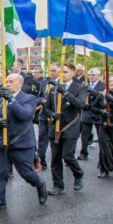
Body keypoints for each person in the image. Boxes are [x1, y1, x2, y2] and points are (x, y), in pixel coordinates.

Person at [0, 73, 48, 211]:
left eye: (11, 81)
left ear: (20, 83)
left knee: (26, 173)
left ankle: (39, 185)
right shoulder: (0, 100)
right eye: (6, 81)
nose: (7, 84)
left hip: (21, 142)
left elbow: (25, 115)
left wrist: (12, 99)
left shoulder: (29, 98)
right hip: (4, 142)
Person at [44, 63, 86, 195]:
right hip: (55, 128)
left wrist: (66, 93)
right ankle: (58, 185)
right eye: (61, 72)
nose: (63, 74)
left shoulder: (79, 87)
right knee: (55, 158)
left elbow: (80, 104)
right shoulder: (53, 89)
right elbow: (46, 108)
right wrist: (52, 114)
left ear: (73, 73)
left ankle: (78, 174)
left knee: (67, 155)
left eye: (66, 72)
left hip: (70, 126)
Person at [77, 68, 105, 160]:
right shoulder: (84, 84)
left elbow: (102, 96)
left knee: (101, 134)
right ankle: (83, 152)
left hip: (98, 112)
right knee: (85, 134)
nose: (91, 77)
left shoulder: (103, 85)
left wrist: (91, 91)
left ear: (98, 76)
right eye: (89, 75)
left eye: (93, 75)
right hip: (86, 112)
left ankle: (104, 153)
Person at [36, 64, 60, 170]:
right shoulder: (45, 82)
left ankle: (58, 161)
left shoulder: (62, 83)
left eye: (54, 70)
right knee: (42, 138)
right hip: (44, 114)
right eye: (50, 70)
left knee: (55, 141)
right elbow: (40, 95)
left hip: (55, 116)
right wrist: (41, 100)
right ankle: (42, 159)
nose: (52, 72)